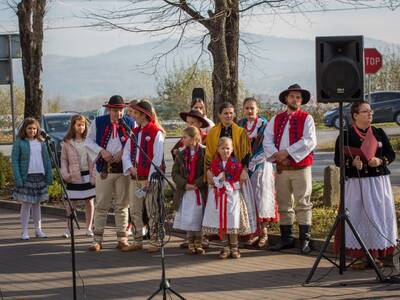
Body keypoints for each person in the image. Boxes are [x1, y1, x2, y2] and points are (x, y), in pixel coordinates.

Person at [334, 100, 398, 269]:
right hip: (356, 184)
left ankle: (385, 254)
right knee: (359, 217)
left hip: (378, 183)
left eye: (371, 111)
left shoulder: (378, 132)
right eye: (365, 112)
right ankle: (364, 256)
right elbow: (338, 160)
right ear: (355, 115)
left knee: (381, 216)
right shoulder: (345, 135)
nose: (370, 114)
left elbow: (391, 154)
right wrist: (352, 164)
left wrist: (380, 160)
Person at [263, 84, 317, 254]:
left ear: (301, 101)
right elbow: (267, 139)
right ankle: (286, 239)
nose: (295, 99)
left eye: (298, 97)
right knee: (284, 203)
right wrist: (278, 156)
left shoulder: (307, 118)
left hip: (301, 167)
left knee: (303, 203)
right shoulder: (276, 119)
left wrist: (288, 153)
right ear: (286, 99)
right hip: (281, 168)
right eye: (292, 96)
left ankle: (304, 240)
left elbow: (309, 141)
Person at [85, 95, 135, 252]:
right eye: (115, 110)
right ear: (109, 109)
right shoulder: (98, 122)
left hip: (123, 169)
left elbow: (133, 142)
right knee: (101, 204)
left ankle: (122, 238)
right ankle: (97, 239)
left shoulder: (129, 122)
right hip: (104, 169)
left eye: (121, 110)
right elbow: (89, 141)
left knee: (122, 205)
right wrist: (101, 151)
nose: (118, 114)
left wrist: (123, 151)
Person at [122, 100, 165, 253]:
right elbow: (126, 152)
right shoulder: (135, 132)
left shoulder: (156, 132)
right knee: (134, 208)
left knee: (152, 209)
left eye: (135, 113)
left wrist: (150, 177)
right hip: (135, 177)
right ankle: (137, 239)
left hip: (150, 179)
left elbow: (157, 157)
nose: (133, 116)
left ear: (143, 114)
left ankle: (154, 239)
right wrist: (130, 167)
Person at [202, 137, 254, 259]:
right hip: (219, 197)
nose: (225, 151)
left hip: (233, 197)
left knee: (232, 221)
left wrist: (229, 184)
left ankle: (235, 248)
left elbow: (240, 181)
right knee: (222, 222)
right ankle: (225, 247)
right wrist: (217, 181)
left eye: (228, 148)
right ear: (218, 150)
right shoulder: (215, 164)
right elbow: (212, 180)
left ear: (232, 149)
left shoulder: (236, 164)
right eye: (223, 148)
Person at [237, 97, 278, 248]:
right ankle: (252, 233)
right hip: (245, 168)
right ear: (243, 109)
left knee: (261, 198)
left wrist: (252, 163)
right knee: (249, 198)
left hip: (261, 164)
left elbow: (266, 145)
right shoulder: (240, 124)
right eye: (246, 108)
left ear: (257, 109)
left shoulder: (264, 125)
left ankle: (264, 234)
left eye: (252, 108)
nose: (249, 111)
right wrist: (243, 165)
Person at [11, 117, 53, 240]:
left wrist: (48, 175)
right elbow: (14, 161)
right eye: (29, 128)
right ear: (24, 129)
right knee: (26, 204)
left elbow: (47, 160)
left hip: (39, 176)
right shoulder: (19, 142)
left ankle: (38, 229)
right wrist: (18, 178)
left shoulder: (41, 142)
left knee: (37, 204)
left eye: (34, 128)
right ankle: (24, 231)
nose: (32, 131)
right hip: (26, 177)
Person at [172, 126, 207, 255]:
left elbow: (206, 172)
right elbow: (175, 173)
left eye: (185, 137)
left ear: (193, 139)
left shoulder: (204, 152)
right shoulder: (181, 153)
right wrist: (185, 184)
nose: (182, 140)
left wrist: (197, 184)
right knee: (188, 217)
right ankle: (190, 243)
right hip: (186, 191)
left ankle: (199, 242)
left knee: (198, 216)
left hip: (199, 191)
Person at [61, 114, 95, 238]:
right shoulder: (67, 142)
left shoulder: (89, 140)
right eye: (78, 124)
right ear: (73, 126)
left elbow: (94, 158)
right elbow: (64, 160)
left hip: (88, 175)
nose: (81, 127)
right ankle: (68, 228)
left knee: (89, 202)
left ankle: (89, 228)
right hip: (73, 176)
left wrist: (95, 174)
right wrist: (65, 173)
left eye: (83, 124)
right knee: (71, 204)